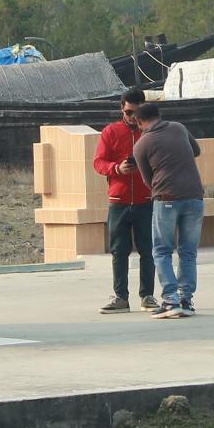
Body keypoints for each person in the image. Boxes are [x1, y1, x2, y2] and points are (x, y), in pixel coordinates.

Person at [131, 102, 205, 319]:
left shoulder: (141, 144)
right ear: (159, 115)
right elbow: (196, 151)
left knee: (162, 251)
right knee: (188, 252)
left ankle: (170, 300)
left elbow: (148, 180)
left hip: (166, 198)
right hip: (194, 196)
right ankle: (186, 300)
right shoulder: (179, 128)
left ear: (139, 122)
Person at [92, 88, 159, 313]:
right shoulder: (110, 132)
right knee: (118, 251)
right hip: (118, 200)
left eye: (137, 112)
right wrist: (117, 168)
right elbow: (99, 162)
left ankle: (147, 296)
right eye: (129, 112)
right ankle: (121, 297)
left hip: (146, 199)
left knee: (147, 250)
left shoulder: (150, 132)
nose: (133, 117)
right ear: (122, 108)